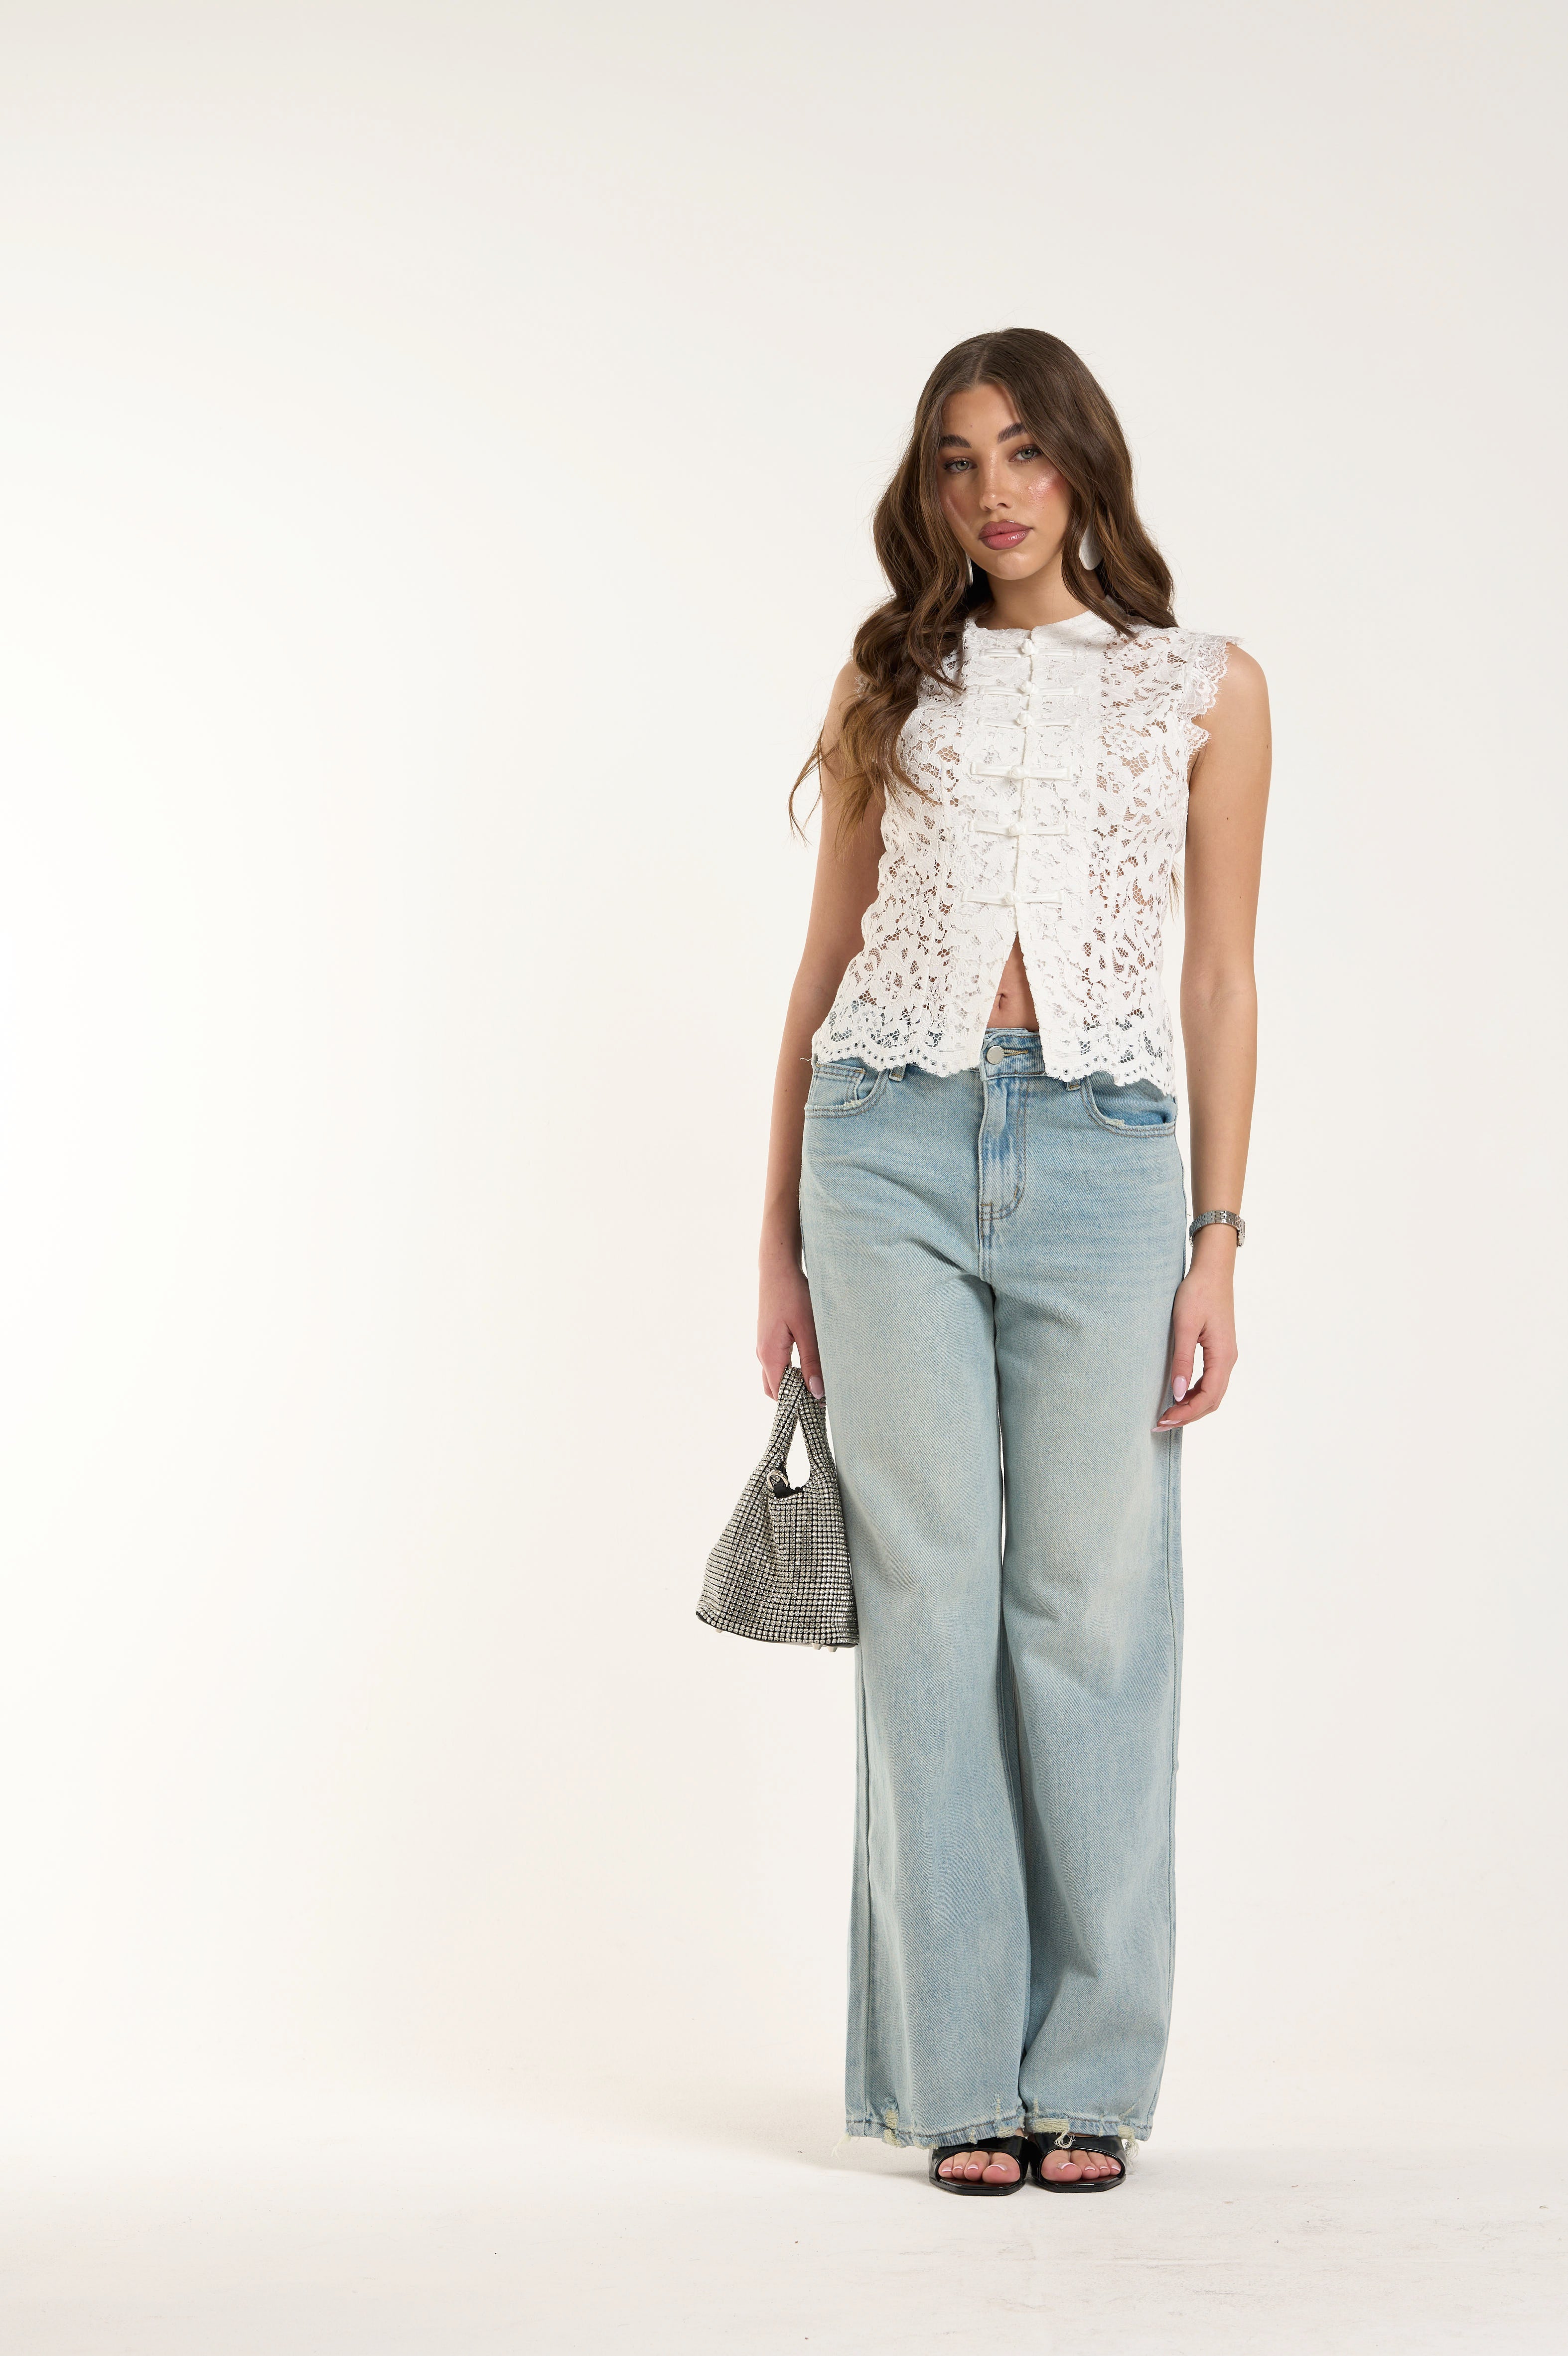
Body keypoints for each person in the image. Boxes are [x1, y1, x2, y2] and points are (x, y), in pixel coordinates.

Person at [756, 329, 1271, 2196]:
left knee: (1091, 1610)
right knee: (929, 1605)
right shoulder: (890, 679)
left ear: (1083, 468)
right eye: (959, 459)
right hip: (881, 1142)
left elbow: (1219, 976)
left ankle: (1091, 2074)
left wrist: (1217, 1239)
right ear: (930, 488)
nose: (994, 492)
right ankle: (961, 2071)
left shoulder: (1201, 689)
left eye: (1026, 452)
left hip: (1110, 1158)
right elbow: (823, 963)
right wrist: (775, 1242)